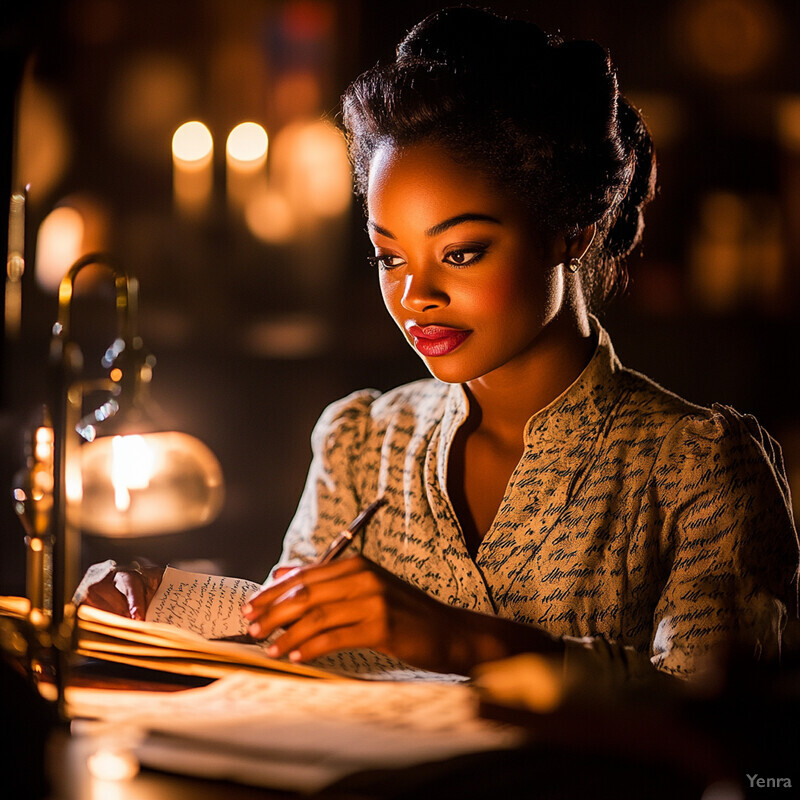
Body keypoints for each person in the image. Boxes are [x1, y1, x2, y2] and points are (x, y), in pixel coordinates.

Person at [79, 6, 799, 682]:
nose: (415, 294)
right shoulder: (362, 445)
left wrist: (463, 640)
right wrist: (156, 604)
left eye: (461, 252)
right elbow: (284, 658)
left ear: (569, 228)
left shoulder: (695, 470)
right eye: (389, 256)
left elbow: (717, 725)